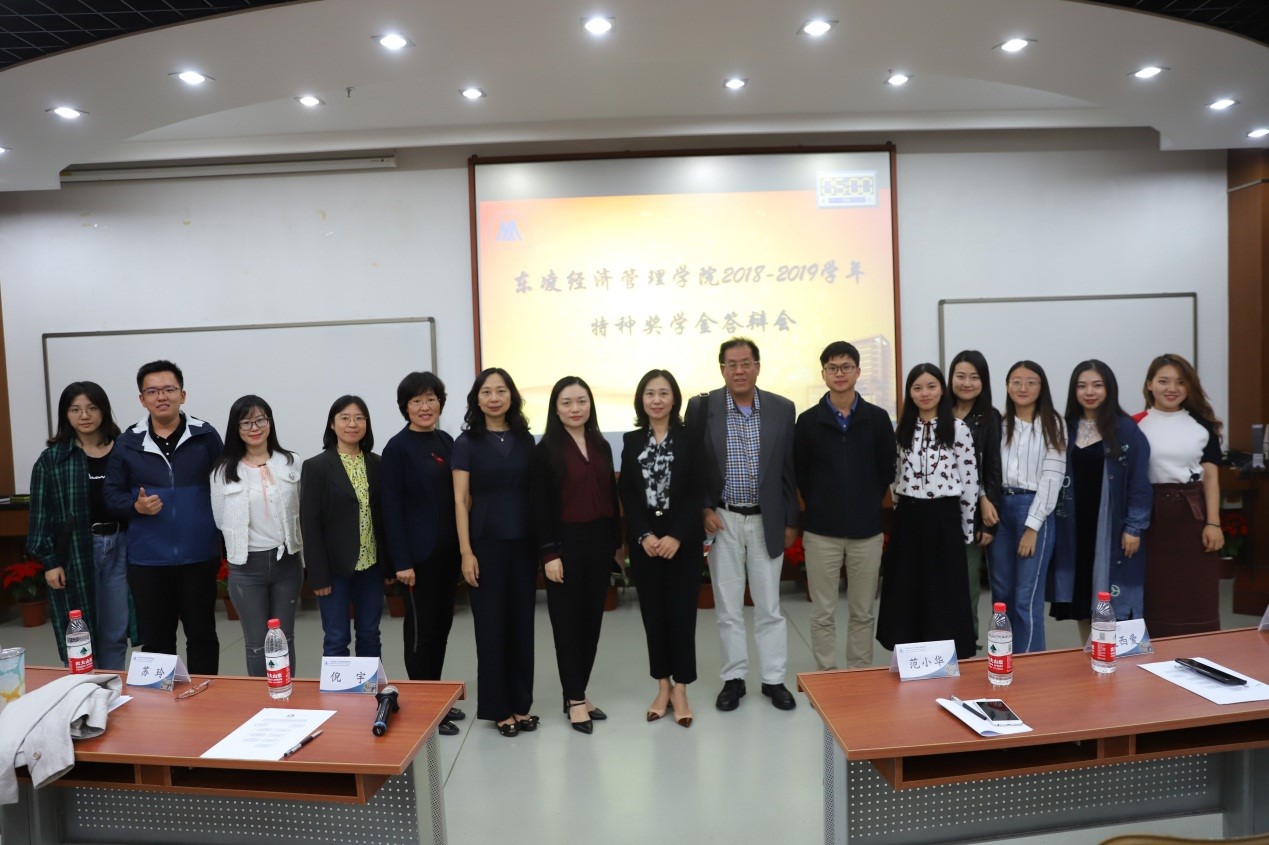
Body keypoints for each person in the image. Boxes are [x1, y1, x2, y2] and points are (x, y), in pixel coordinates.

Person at [685, 337, 799, 712]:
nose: (739, 370)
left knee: (769, 606)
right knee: (728, 607)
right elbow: (692, 466)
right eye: (731, 364)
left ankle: (773, 679)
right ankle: (734, 679)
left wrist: (790, 520)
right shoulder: (702, 408)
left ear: (757, 367)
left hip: (767, 519)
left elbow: (788, 469)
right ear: (722, 369)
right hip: (723, 520)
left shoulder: (782, 408)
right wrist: (703, 509)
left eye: (746, 363)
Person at [104, 360, 223, 674]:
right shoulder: (128, 442)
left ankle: (206, 695)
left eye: (169, 389)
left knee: (202, 635)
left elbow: (225, 487)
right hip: (148, 560)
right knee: (157, 640)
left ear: (182, 395)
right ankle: (160, 702)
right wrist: (136, 506)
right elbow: (111, 496)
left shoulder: (205, 435)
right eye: (152, 391)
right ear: (142, 399)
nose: (161, 397)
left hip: (199, 555)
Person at [793, 341, 895, 670]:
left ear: (858, 372)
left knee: (862, 612)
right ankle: (826, 676)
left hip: (867, 532)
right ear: (823, 374)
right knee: (822, 611)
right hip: (821, 533)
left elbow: (886, 471)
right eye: (833, 368)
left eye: (846, 367)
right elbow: (801, 473)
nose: (840, 373)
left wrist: (864, 501)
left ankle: (859, 676)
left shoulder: (878, 419)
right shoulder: (808, 421)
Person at [531, 376, 623, 735]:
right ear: (555, 408)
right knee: (568, 626)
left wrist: (615, 545)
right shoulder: (545, 450)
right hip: (564, 545)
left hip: (599, 544)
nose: (575, 408)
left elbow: (610, 494)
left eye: (581, 401)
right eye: (566, 402)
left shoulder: (602, 444)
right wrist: (549, 554)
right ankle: (574, 699)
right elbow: (540, 507)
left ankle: (578, 692)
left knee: (591, 625)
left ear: (590, 405)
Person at [455, 368, 539, 737]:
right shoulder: (466, 442)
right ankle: (498, 708)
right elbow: (460, 500)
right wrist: (466, 552)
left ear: (511, 397)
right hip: (485, 544)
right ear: (477, 399)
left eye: (501, 391)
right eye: (486, 392)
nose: (494, 398)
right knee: (491, 627)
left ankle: (521, 704)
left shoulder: (525, 439)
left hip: (523, 542)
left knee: (522, 625)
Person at [381, 372, 465, 736]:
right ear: (405, 407)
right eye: (416, 401)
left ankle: (436, 699)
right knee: (421, 632)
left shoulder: (446, 441)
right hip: (417, 560)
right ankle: (424, 706)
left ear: (440, 403)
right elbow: (391, 509)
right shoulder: (397, 448)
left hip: (448, 555)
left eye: (431, 399)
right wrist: (401, 562)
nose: (425, 406)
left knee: (442, 627)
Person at [28, 381, 134, 670]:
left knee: (116, 629)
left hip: (120, 546)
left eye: (91, 408)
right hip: (74, 551)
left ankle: (113, 687)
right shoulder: (53, 460)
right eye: (75, 409)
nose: (84, 415)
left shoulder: (124, 450)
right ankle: (84, 690)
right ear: (66, 414)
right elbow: (40, 515)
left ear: (103, 411)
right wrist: (50, 561)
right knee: (79, 633)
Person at [876, 363, 978, 660]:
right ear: (910, 393)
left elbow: (969, 480)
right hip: (909, 517)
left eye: (931, 386)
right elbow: (896, 476)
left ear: (942, 390)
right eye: (917, 387)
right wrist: (902, 511)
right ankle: (910, 656)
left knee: (942, 589)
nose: (925, 393)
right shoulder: (902, 429)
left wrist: (966, 529)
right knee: (908, 587)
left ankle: (942, 658)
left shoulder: (958, 428)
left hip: (945, 517)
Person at [619, 370, 703, 727]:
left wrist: (677, 536)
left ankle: (681, 688)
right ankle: (662, 686)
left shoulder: (690, 438)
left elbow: (697, 491)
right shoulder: (631, 440)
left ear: (674, 399)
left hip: (681, 544)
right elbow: (627, 492)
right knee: (653, 618)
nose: (656, 400)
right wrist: (643, 535)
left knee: (682, 617)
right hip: (647, 546)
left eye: (663, 393)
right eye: (650, 393)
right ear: (642, 399)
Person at [1049, 361, 1151, 640]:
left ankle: (1112, 653)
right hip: (1072, 527)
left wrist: (1134, 527)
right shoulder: (1064, 428)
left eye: (1097, 385)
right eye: (1082, 386)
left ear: (1109, 389)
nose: (1089, 392)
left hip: (1111, 527)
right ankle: (1090, 652)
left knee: (1112, 597)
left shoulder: (1126, 429)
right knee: (1082, 597)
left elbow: (1139, 484)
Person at [209, 395, 303, 677]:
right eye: (246, 422)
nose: (255, 428)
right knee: (256, 644)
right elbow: (220, 519)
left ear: (270, 423)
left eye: (261, 420)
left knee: (284, 638)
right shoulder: (222, 471)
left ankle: (286, 695)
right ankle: (261, 699)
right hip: (246, 567)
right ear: (236, 428)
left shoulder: (291, 462)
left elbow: (302, 508)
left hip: (287, 563)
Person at [1135, 353, 1224, 637]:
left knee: (1196, 592)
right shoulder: (1135, 424)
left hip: (1192, 515)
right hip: (1150, 518)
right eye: (1163, 381)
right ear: (1150, 384)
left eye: (1180, 382)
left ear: (1189, 387)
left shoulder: (1202, 425)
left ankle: (1199, 652)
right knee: (1155, 591)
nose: (1171, 388)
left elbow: (1211, 478)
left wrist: (1213, 523)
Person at [300, 396, 387, 658]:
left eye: (359, 418)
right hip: (334, 570)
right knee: (337, 638)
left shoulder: (377, 463)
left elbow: (383, 516)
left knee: (370, 633)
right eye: (345, 418)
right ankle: (338, 687)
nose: (353, 424)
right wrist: (318, 576)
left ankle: (369, 684)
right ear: (332, 424)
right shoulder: (316, 467)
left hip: (371, 566)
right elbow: (310, 524)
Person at [988, 360, 1065, 653]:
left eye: (1031, 382)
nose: (1023, 388)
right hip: (1000, 509)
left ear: (1041, 387)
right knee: (1001, 596)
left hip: (1033, 509)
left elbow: (1052, 478)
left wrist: (1032, 527)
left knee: (1026, 598)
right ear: (1007, 386)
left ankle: (1031, 665)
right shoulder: (999, 423)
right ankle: (1002, 660)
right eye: (1016, 381)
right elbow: (987, 469)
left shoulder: (1053, 423)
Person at [949, 350, 1002, 645]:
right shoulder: (938, 411)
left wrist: (988, 519)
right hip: (937, 510)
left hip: (969, 516)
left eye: (974, 377)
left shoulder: (989, 418)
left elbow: (992, 468)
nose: (967, 383)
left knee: (966, 583)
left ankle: (967, 645)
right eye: (961, 376)